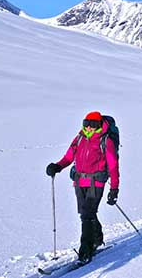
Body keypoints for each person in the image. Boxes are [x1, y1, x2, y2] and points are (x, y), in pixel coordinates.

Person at [45, 111, 119, 264]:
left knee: (87, 214)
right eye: (87, 124)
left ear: (99, 125)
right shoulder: (79, 138)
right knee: (85, 213)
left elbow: (113, 165)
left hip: (96, 182)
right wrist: (57, 166)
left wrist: (114, 188)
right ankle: (97, 238)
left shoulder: (106, 141)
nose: (89, 128)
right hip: (79, 181)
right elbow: (68, 157)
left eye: (93, 124)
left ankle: (85, 249)